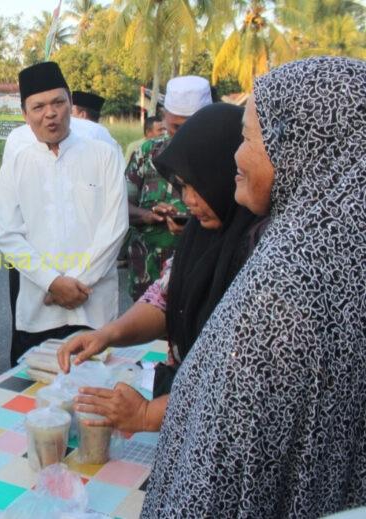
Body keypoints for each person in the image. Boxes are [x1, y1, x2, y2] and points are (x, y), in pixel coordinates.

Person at [141, 56, 366, 518]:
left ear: (299, 146)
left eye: (246, 139)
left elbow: (225, 463)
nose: (236, 158)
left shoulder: (286, 285)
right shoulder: (339, 255)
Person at [57, 103, 268, 433]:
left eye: (198, 186)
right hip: (185, 404)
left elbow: (237, 377)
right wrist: (107, 335)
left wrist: (146, 415)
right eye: (182, 187)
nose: (189, 200)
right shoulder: (200, 233)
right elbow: (164, 299)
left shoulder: (260, 248)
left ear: (228, 175)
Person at [0, 61, 127, 366]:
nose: (50, 113)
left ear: (70, 103)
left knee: (95, 387)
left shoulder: (104, 155)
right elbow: (8, 236)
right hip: (40, 308)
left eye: (58, 102)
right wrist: (53, 283)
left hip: (94, 307)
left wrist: (77, 284)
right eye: (38, 107)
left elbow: (115, 227)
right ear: (25, 115)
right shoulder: (16, 164)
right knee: (36, 389)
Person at [125, 75, 212, 301]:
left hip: (201, 278)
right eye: (176, 127)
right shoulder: (147, 153)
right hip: (147, 277)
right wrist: (147, 215)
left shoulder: (225, 157)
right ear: (164, 117)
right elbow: (120, 206)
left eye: (193, 126)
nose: (184, 134)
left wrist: (194, 226)